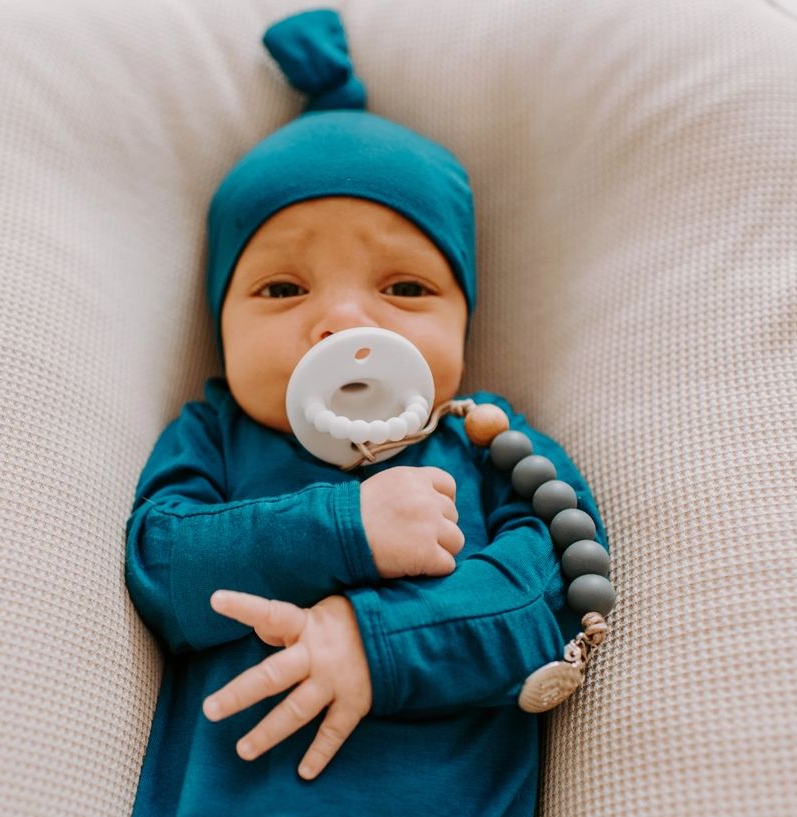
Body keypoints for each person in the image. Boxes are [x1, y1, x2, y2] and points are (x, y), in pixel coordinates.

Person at [124, 8, 607, 816]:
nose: (347, 322)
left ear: (463, 319)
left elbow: (547, 594)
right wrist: (344, 524)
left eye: (404, 288)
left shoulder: (488, 445)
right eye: (283, 289)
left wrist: (371, 641)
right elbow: (162, 569)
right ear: (220, 325)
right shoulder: (214, 437)